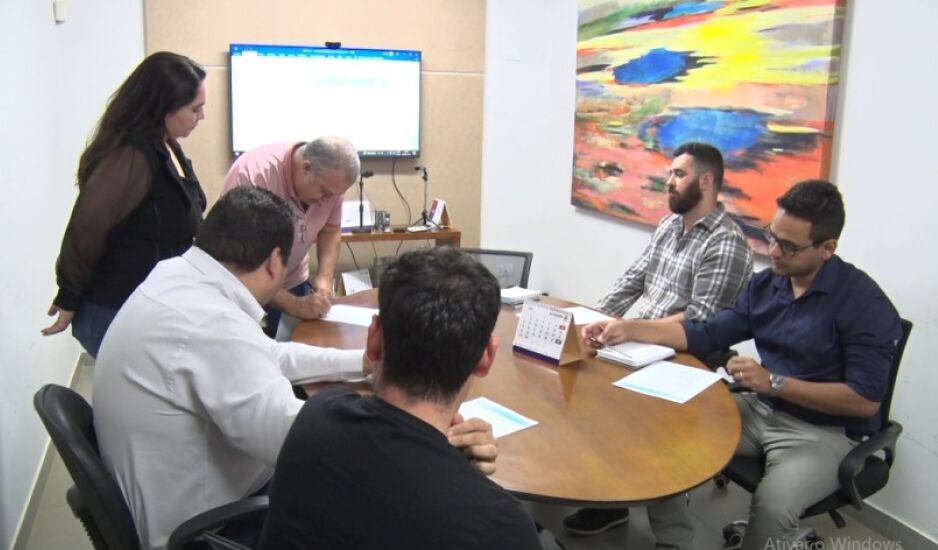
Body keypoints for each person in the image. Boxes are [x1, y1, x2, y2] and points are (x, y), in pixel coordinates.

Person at [582, 180, 902, 550]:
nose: (773, 251)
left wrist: (774, 382)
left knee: (772, 505)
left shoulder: (864, 304)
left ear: (827, 248)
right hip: (760, 409)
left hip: (822, 433)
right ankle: (674, 541)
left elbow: (864, 401)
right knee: (659, 432)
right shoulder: (768, 285)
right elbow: (706, 333)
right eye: (771, 236)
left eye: (789, 246)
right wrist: (627, 328)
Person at [93, 187, 370, 550]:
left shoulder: (177, 277)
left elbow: (270, 354)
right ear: (275, 261)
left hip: (184, 497)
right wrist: (389, 419)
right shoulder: (210, 324)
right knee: (365, 499)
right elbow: (294, 440)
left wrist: (362, 364)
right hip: (209, 531)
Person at [257, 247, 542, 550]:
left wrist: (446, 459)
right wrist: (456, 472)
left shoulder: (317, 415)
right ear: (486, 357)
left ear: (374, 340)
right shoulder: (501, 527)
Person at [564, 142, 753, 547]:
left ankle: (673, 537)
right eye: (670, 173)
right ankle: (610, 501)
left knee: (645, 432)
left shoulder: (726, 242)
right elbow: (633, 279)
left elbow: (700, 319)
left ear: (706, 181)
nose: (669, 182)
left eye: (678, 175)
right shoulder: (670, 225)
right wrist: (597, 319)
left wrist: (633, 328)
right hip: (635, 338)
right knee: (582, 397)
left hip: (683, 354)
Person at [42, 51, 209, 358]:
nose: (201, 117)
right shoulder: (130, 156)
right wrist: (69, 295)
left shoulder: (166, 143)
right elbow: (86, 229)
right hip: (114, 311)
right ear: (165, 108)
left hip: (149, 307)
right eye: (195, 109)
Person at [221, 137, 360, 336]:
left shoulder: (331, 183)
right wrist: (294, 305)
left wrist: (324, 277)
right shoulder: (253, 175)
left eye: (335, 196)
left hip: (294, 280)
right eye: (325, 192)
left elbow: (330, 230)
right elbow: (238, 264)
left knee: (300, 349)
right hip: (248, 290)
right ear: (306, 168)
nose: (327, 201)